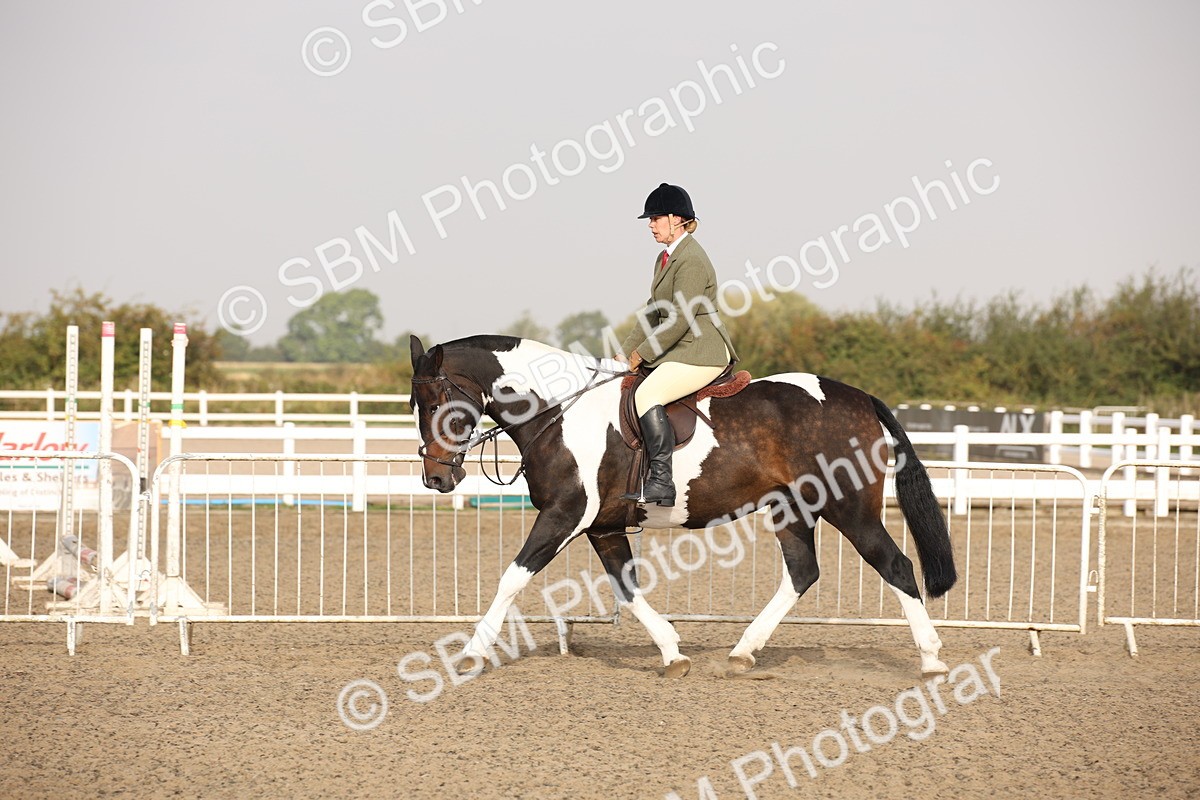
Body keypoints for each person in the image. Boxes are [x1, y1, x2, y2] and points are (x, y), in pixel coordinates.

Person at [617, 182, 738, 506]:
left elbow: (679, 319)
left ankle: (661, 482)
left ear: (676, 219)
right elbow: (653, 312)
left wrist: (641, 355)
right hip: (680, 348)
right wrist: (625, 352)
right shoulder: (664, 258)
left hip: (702, 350)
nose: (650, 225)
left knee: (648, 393)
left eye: (655, 218)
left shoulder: (692, 260)